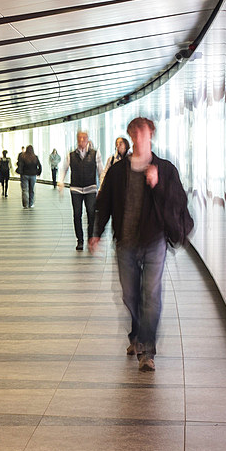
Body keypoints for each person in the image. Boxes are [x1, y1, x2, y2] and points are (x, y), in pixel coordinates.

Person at [89, 117, 189, 372]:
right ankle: (136, 333)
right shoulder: (117, 171)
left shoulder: (165, 169)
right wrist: (96, 232)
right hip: (126, 242)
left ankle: (147, 349)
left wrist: (158, 185)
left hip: (154, 241)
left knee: (151, 296)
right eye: (133, 134)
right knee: (130, 295)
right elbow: (105, 203)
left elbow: (178, 202)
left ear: (151, 134)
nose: (137, 138)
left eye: (141, 133)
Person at [58, 130, 104, 251]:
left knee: (91, 214)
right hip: (76, 189)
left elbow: (101, 170)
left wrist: (102, 186)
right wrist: (61, 181)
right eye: (79, 138)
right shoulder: (71, 155)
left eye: (84, 138)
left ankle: (90, 238)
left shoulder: (95, 153)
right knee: (77, 214)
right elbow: (64, 168)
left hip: (91, 188)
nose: (82, 140)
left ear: (88, 139)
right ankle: (80, 240)